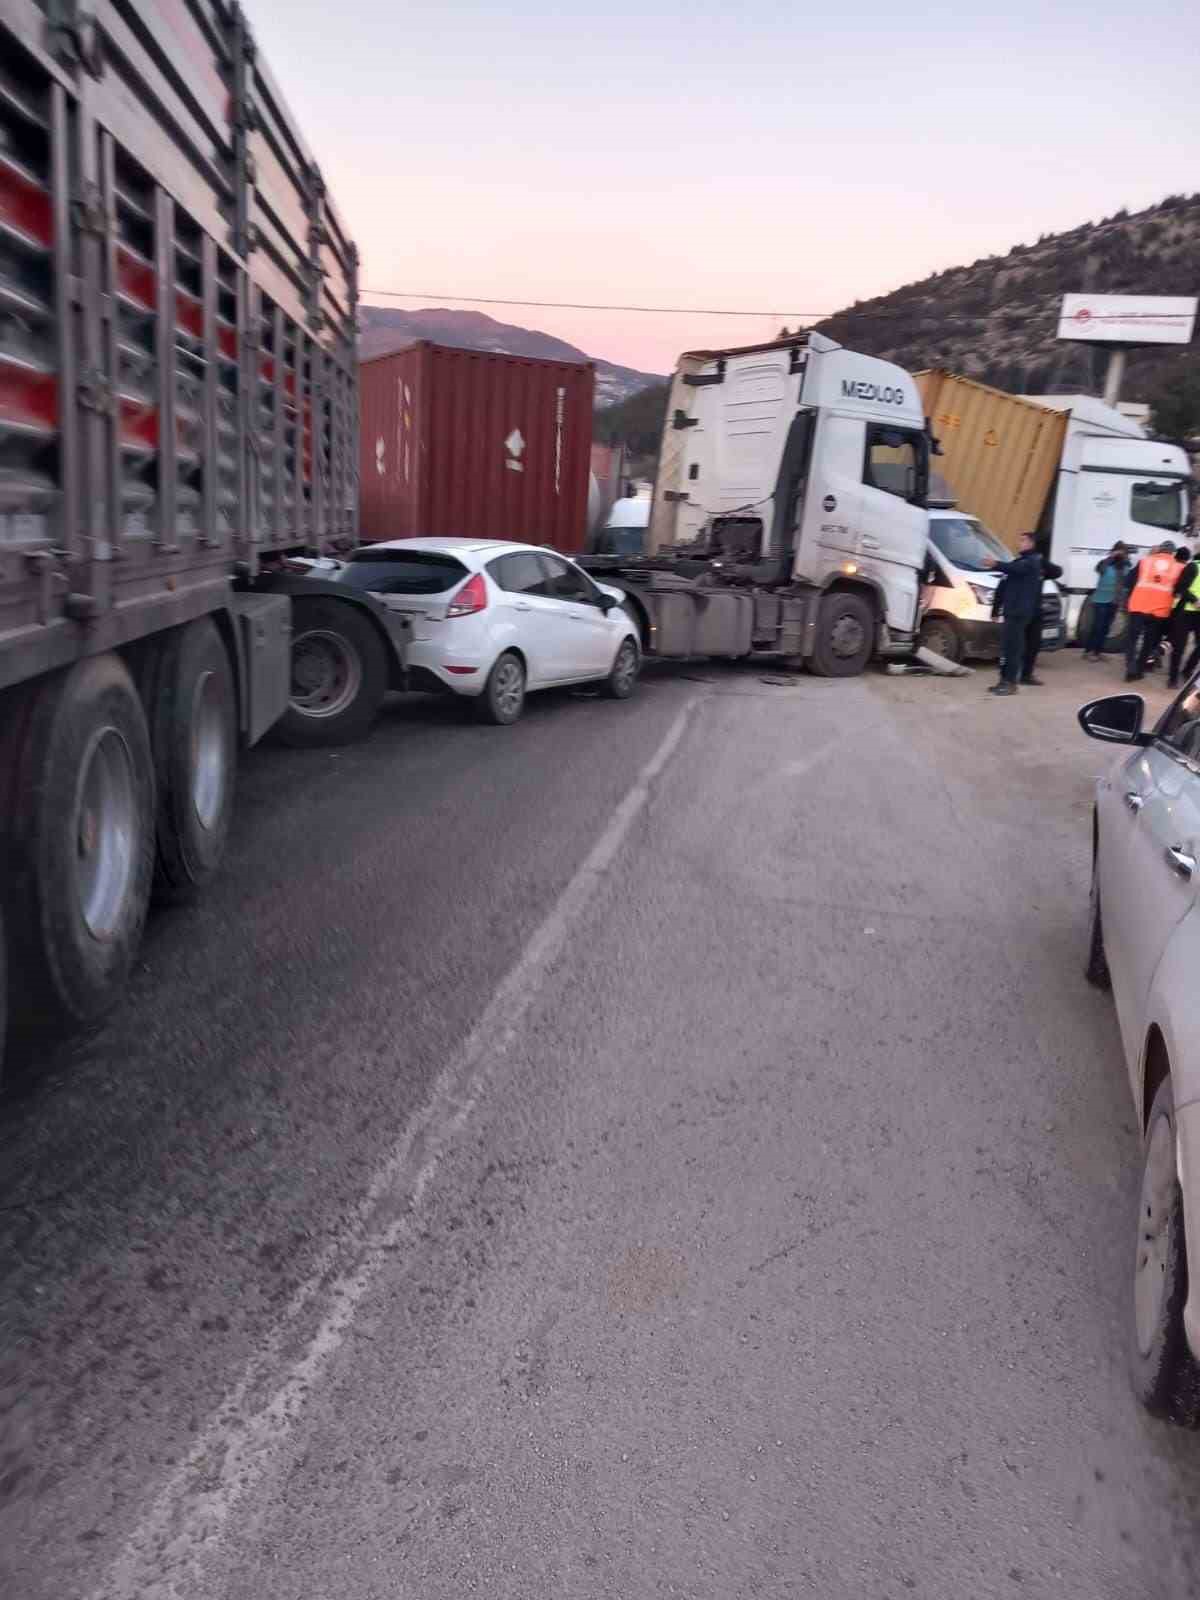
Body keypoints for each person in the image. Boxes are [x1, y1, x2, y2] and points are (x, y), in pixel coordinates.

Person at [985, 532, 1043, 695]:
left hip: (1019, 613)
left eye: (1023, 540)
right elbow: (1002, 586)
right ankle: (1003, 680)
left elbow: (1016, 568)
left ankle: (1010, 683)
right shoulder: (1016, 562)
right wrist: (996, 609)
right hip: (1010, 612)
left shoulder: (1032, 562)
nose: (1020, 543)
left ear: (1031, 543)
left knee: (1013, 649)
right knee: (1006, 648)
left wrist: (995, 564)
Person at [1123, 540, 1179, 682]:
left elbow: (1128, 581)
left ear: (1160, 549)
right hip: (1159, 611)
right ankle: (1139, 670)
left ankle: (1130, 669)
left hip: (1138, 607)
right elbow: (1179, 590)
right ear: (1173, 552)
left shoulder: (1145, 561)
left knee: (1132, 639)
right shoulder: (1178, 567)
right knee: (1148, 643)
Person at [1019, 551, 1063, 685]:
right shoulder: (1020, 566)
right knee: (1018, 645)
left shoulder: (1040, 570)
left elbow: (1057, 572)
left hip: (1036, 613)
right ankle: (1011, 675)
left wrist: (1043, 561)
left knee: (1033, 645)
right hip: (1021, 612)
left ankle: (1026, 675)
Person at [1083, 543, 1130, 660]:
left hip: (1114, 601)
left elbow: (1126, 580)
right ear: (1113, 551)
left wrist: (1125, 559)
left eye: (1123, 552)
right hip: (1100, 600)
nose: (1121, 554)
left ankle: (1097, 652)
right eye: (1119, 551)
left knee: (1106, 628)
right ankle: (1088, 651)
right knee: (1097, 627)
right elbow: (1099, 569)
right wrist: (1111, 557)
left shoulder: (1124, 566)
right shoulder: (1105, 563)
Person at [1168, 545, 1200, 689]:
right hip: (1185, 613)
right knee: (1179, 646)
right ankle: (1172, 678)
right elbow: (1180, 587)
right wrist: (1194, 600)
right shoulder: (1193, 566)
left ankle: (1187, 669)